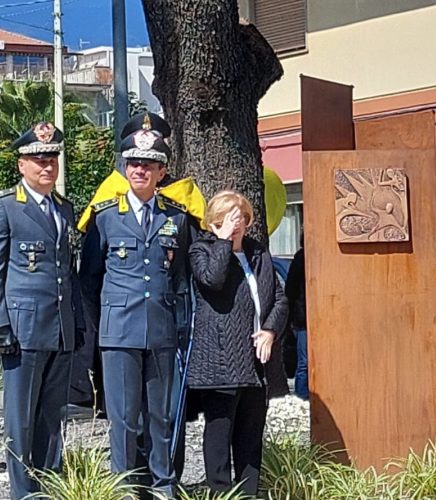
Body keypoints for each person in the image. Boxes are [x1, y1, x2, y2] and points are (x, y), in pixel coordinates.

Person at [78, 119, 195, 497]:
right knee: (124, 419)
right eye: (133, 163)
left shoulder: (176, 217)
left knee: (161, 416)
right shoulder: (105, 217)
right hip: (119, 333)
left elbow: (179, 279)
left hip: (160, 330)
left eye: (148, 164)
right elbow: (90, 280)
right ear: (125, 169)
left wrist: (179, 327)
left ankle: (163, 485)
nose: (140, 170)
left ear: (161, 171)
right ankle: (124, 487)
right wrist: (98, 336)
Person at [0, 122, 84, 499]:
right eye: (39, 160)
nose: (47, 167)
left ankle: (48, 486)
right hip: (21, 331)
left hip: (60, 329)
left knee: (52, 417)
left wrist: (78, 324)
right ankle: (23, 493)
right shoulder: (4, 207)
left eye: (52, 159)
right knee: (20, 421)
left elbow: (67, 273)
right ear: (21, 165)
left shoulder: (63, 209)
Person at [187, 191, 288, 495]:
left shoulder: (258, 253)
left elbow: (280, 298)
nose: (238, 223)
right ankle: (221, 492)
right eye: (230, 217)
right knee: (219, 434)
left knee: (250, 435)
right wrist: (223, 242)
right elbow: (213, 281)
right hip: (220, 358)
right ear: (215, 221)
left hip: (256, 360)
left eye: (241, 217)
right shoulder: (201, 250)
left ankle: (249, 492)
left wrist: (270, 330)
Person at [285, 234, 308, 400]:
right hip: (303, 318)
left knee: (305, 361)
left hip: (303, 317)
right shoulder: (300, 259)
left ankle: (303, 394)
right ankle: (301, 396)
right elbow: (291, 290)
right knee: (304, 362)